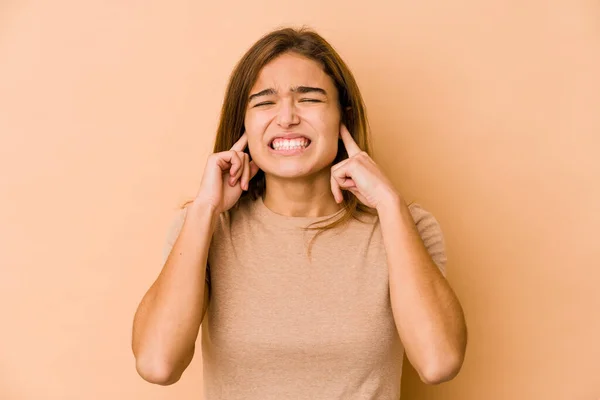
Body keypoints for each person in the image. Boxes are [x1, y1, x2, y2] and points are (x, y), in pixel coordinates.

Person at [131, 27, 467, 399]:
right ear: (242, 124)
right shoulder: (204, 228)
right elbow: (157, 364)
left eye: (308, 99)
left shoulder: (406, 225)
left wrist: (389, 204)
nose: (287, 117)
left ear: (344, 118)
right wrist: (205, 209)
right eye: (264, 102)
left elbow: (439, 362)